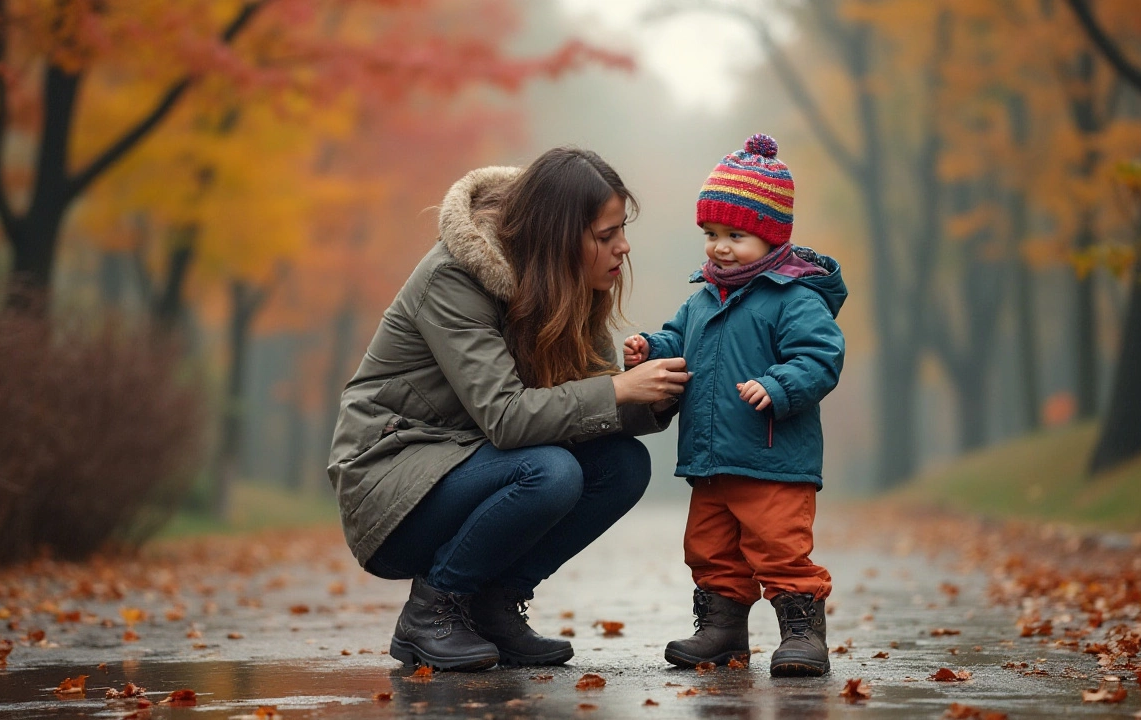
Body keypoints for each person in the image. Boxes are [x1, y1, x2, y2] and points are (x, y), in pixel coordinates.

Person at [327, 148, 689, 672]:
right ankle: (431, 613)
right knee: (550, 472)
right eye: (605, 236)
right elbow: (508, 417)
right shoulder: (453, 278)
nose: (622, 248)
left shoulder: (567, 282)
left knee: (623, 464)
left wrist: (656, 392)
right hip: (392, 485)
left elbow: (586, 406)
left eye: (621, 231)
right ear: (561, 237)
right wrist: (620, 391)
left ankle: (494, 604)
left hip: (470, 461)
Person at [623, 134, 847, 677]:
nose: (720, 247)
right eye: (711, 234)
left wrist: (779, 384)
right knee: (711, 550)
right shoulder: (702, 298)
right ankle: (721, 631)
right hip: (710, 459)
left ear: (771, 238)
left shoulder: (794, 298)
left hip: (773, 458)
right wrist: (652, 349)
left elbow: (821, 355)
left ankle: (802, 634)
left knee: (779, 549)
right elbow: (682, 340)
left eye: (735, 235)